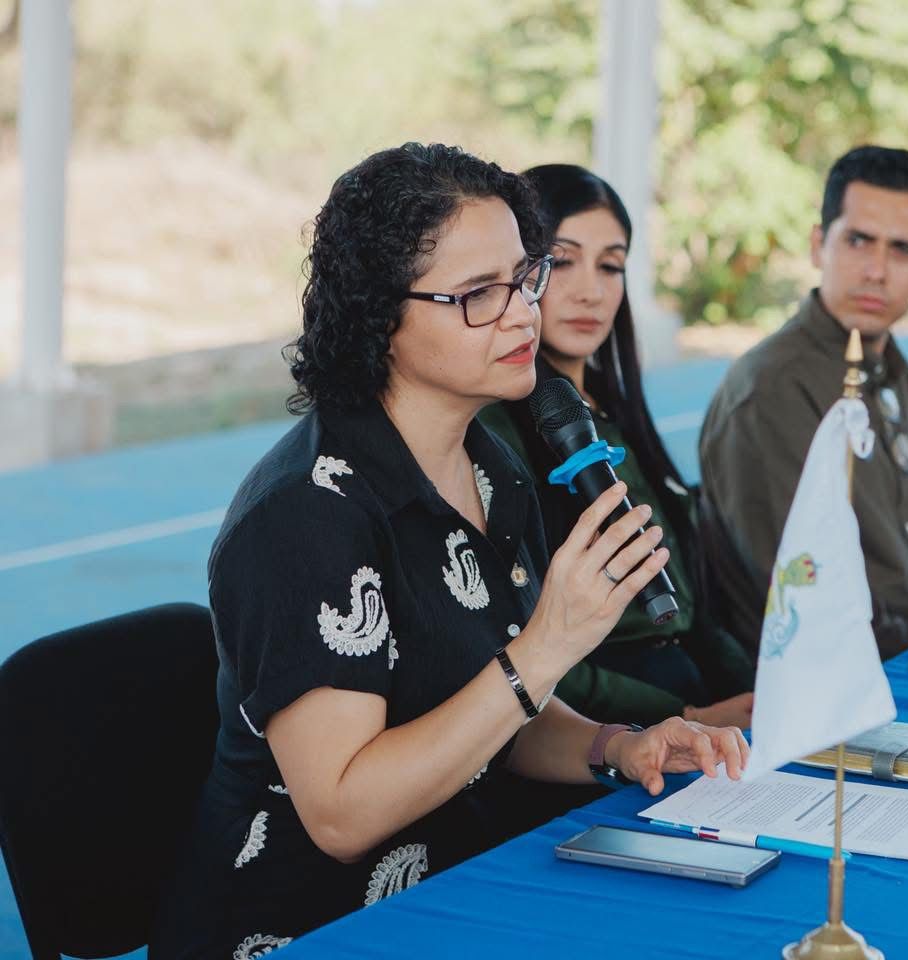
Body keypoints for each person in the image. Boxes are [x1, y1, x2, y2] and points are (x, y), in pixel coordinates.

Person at [151, 143, 747, 960]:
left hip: (460, 879)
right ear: (378, 314)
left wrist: (614, 744)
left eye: (523, 275)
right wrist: (545, 649)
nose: (522, 312)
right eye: (477, 295)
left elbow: (495, 719)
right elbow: (343, 814)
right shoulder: (303, 516)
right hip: (309, 924)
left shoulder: (490, 465)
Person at [478, 163, 754, 730]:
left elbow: (691, 610)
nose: (590, 290)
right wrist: (683, 717)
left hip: (691, 694)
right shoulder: (495, 430)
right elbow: (529, 647)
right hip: (599, 724)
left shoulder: (614, 414)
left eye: (611, 266)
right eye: (562, 260)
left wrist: (751, 690)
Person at [698, 145, 908, 659]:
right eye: (858, 240)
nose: (876, 270)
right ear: (819, 246)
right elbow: (803, 594)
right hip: (847, 681)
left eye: (903, 249)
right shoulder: (771, 391)